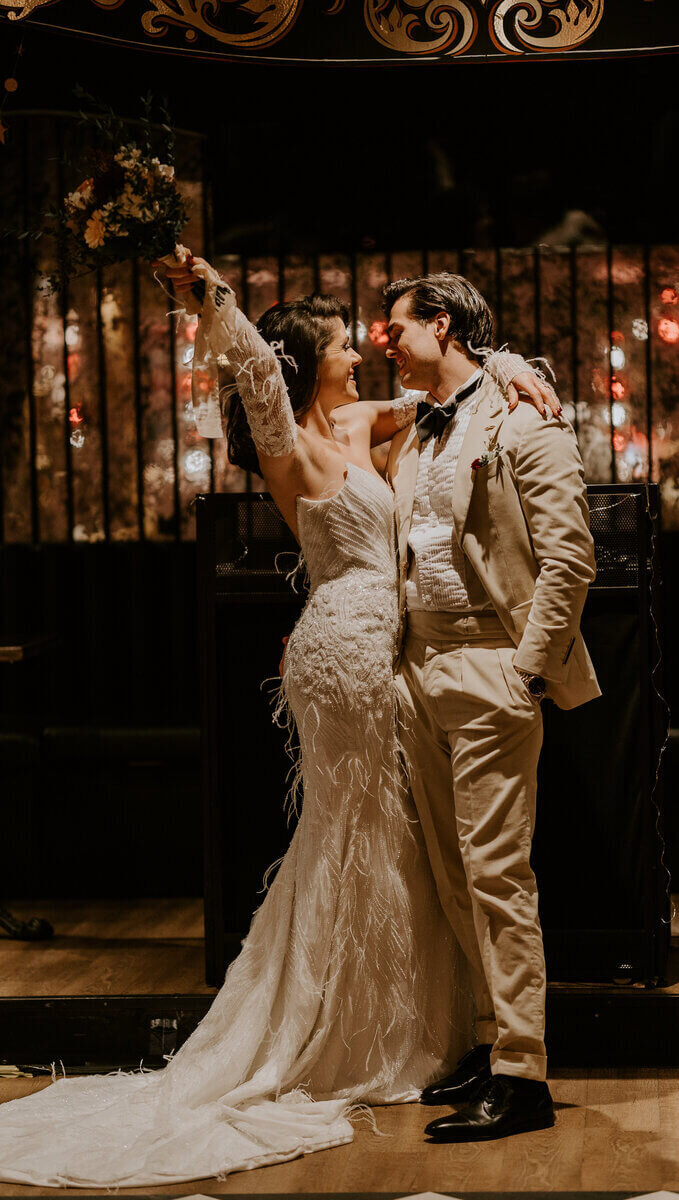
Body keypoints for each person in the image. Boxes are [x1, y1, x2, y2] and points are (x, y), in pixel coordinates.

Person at [0, 252, 558, 1187]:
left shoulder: (358, 420)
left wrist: (511, 365)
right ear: (309, 358)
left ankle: (423, 1028)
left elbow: (453, 397)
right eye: (343, 340)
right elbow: (257, 369)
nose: (360, 348)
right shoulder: (285, 439)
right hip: (345, 651)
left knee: (398, 840)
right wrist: (212, 298)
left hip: (393, 647)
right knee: (358, 836)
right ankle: (346, 1030)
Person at [385, 272, 601, 1143]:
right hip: (416, 671)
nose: (380, 342)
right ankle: (487, 1045)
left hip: (488, 665)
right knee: (449, 873)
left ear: (442, 325)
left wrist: (524, 672)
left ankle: (525, 1074)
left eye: (393, 326)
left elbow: (571, 557)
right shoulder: (411, 428)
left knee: (498, 874)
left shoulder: (523, 416)